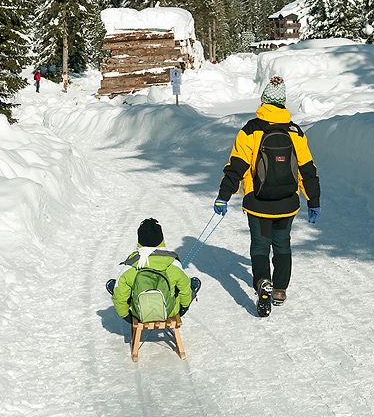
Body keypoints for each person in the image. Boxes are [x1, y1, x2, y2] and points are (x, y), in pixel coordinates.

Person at [214, 75, 320, 315]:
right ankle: (280, 289)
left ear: (264, 101)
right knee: (282, 244)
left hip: (258, 202)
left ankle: (263, 282)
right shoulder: (295, 131)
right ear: (283, 103)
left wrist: (223, 195)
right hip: (287, 203)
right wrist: (314, 201)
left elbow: (236, 166)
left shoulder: (251, 130)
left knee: (260, 246)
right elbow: (307, 169)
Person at [106, 218, 201, 323]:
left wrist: (126, 316)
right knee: (186, 284)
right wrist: (183, 308)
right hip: (169, 312)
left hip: (138, 314)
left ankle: (115, 288)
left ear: (139, 240)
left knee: (119, 288)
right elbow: (185, 291)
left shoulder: (131, 266)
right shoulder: (172, 263)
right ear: (161, 240)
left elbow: (120, 297)